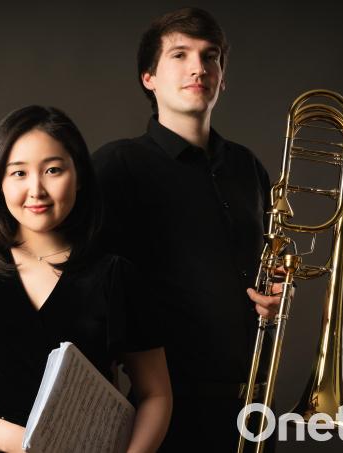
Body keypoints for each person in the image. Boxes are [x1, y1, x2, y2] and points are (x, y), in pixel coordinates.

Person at [0, 105, 172, 452]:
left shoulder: (116, 276)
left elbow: (156, 394)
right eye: (18, 173)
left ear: (79, 177)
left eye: (53, 170)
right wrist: (22, 443)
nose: (36, 190)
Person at [91, 7, 282, 452]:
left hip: (254, 403)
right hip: (166, 408)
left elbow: (259, 268)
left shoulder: (248, 167)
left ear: (222, 76)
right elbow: (87, 284)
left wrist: (274, 295)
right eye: (179, 55)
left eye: (210, 56)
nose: (198, 68)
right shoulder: (117, 165)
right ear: (149, 78)